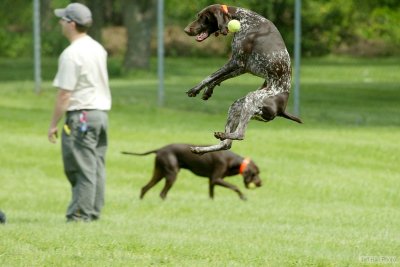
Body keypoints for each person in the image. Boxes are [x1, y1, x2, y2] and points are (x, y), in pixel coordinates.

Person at [48, 3, 112, 222]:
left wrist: (53, 123)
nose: (60, 23)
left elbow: (65, 94)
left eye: (63, 19)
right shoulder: (97, 48)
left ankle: (79, 215)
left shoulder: (71, 54)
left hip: (81, 115)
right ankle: (92, 211)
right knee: (96, 166)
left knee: (80, 167)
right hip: (101, 115)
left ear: (71, 24)